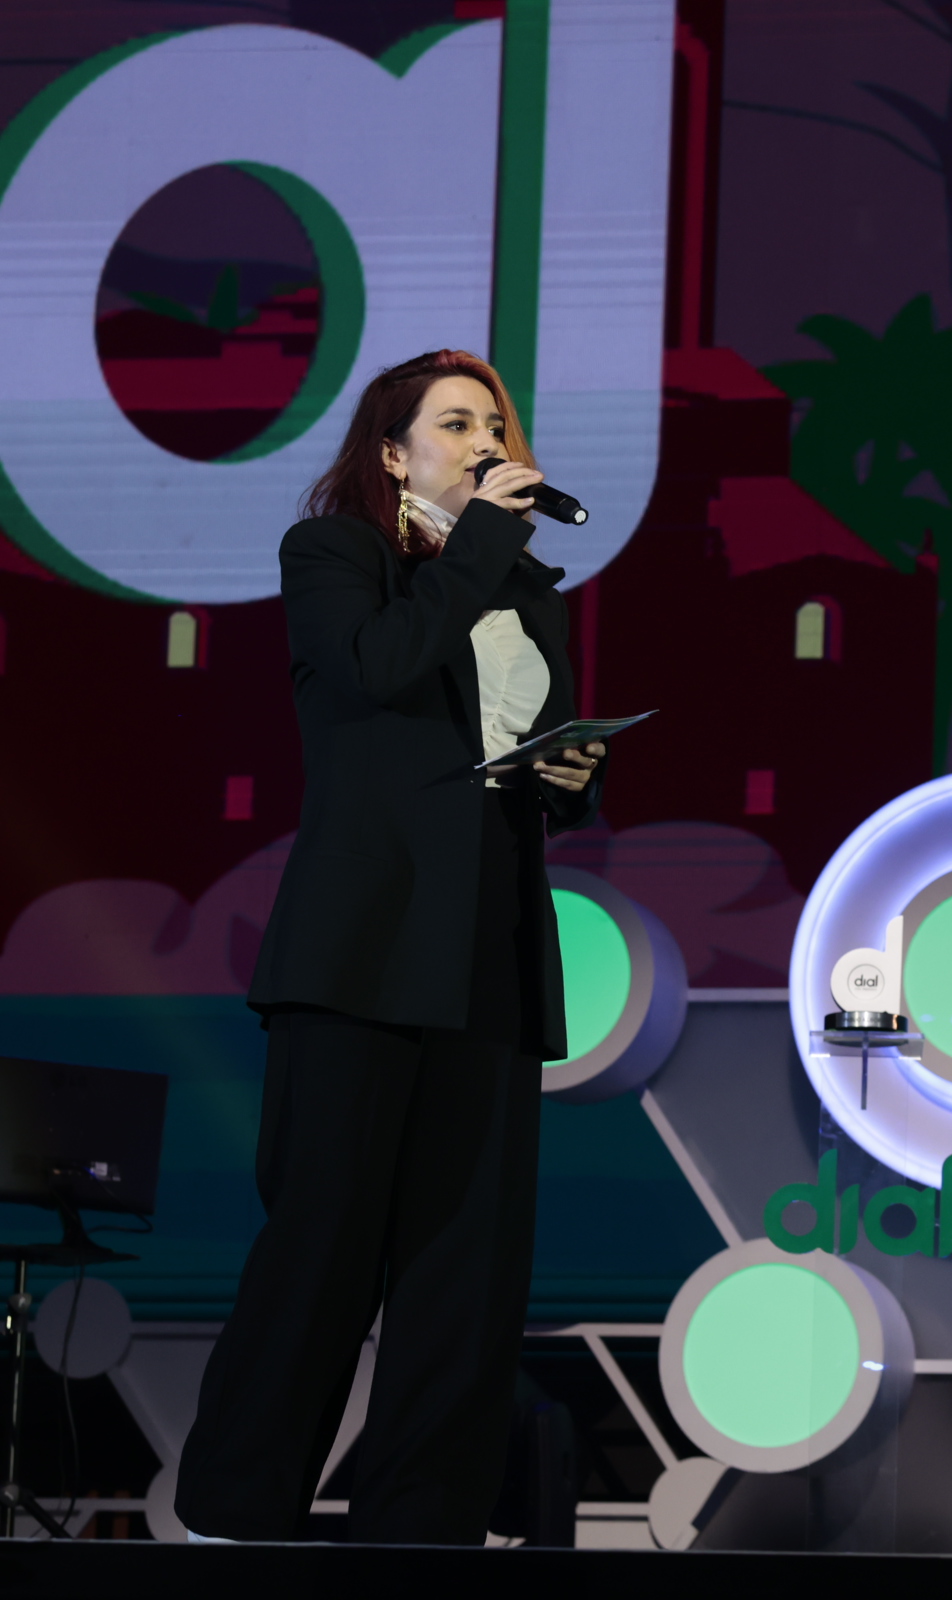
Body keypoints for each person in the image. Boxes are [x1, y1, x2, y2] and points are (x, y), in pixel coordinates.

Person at [175, 350, 609, 1545]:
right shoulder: (334, 555)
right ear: (393, 452)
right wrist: (479, 542)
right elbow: (378, 669)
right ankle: (234, 1512)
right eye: (457, 423)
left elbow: (520, 741)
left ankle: (422, 1527)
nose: (486, 441)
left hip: (487, 947)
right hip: (364, 949)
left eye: (497, 424)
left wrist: (571, 774)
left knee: (465, 1271)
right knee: (323, 1243)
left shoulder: (527, 590)